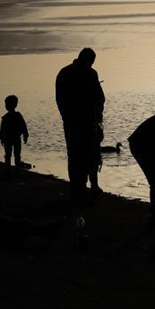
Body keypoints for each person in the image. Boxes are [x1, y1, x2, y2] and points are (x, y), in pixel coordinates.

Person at [55, 48, 105, 205]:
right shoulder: (83, 74)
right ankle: (80, 192)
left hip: (81, 122)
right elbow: (99, 99)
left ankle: (80, 191)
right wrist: (97, 119)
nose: (90, 64)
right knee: (82, 156)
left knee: (80, 156)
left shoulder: (67, 73)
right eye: (90, 61)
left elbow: (99, 99)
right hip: (80, 123)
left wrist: (98, 119)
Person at [0, 95, 29, 175]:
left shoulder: (7, 117)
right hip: (14, 138)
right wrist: (25, 135)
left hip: (11, 138)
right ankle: (15, 169)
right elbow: (23, 126)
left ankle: (9, 169)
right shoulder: (13, 116)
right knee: (15, 154)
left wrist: (1, 137)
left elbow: (2, 129)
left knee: (10, 154)